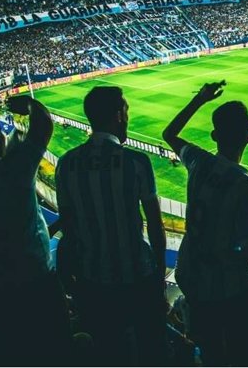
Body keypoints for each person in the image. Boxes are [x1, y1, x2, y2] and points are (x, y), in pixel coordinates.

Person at [162, 81, 248, 366]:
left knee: (210, 350)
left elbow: (169, 134)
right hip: (225, 289)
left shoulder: (197, 162)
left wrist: (200, 99)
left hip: (191, 275)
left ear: (214, 135)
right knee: (241, 351)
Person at [55, 86, 167, 366]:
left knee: (109, 353)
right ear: (119, 115)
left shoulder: (67, 164)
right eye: (126, 111)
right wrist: (159, 273)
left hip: (94, 281)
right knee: (151, 350)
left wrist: (71, 274)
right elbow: (155, 223)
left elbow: (69, 226)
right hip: (138, 276)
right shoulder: (136, 162)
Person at [0, 100, 72, 366]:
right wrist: (29, 103)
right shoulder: (12, 172)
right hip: (36, 281)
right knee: (55, 346)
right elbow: (42, 126)